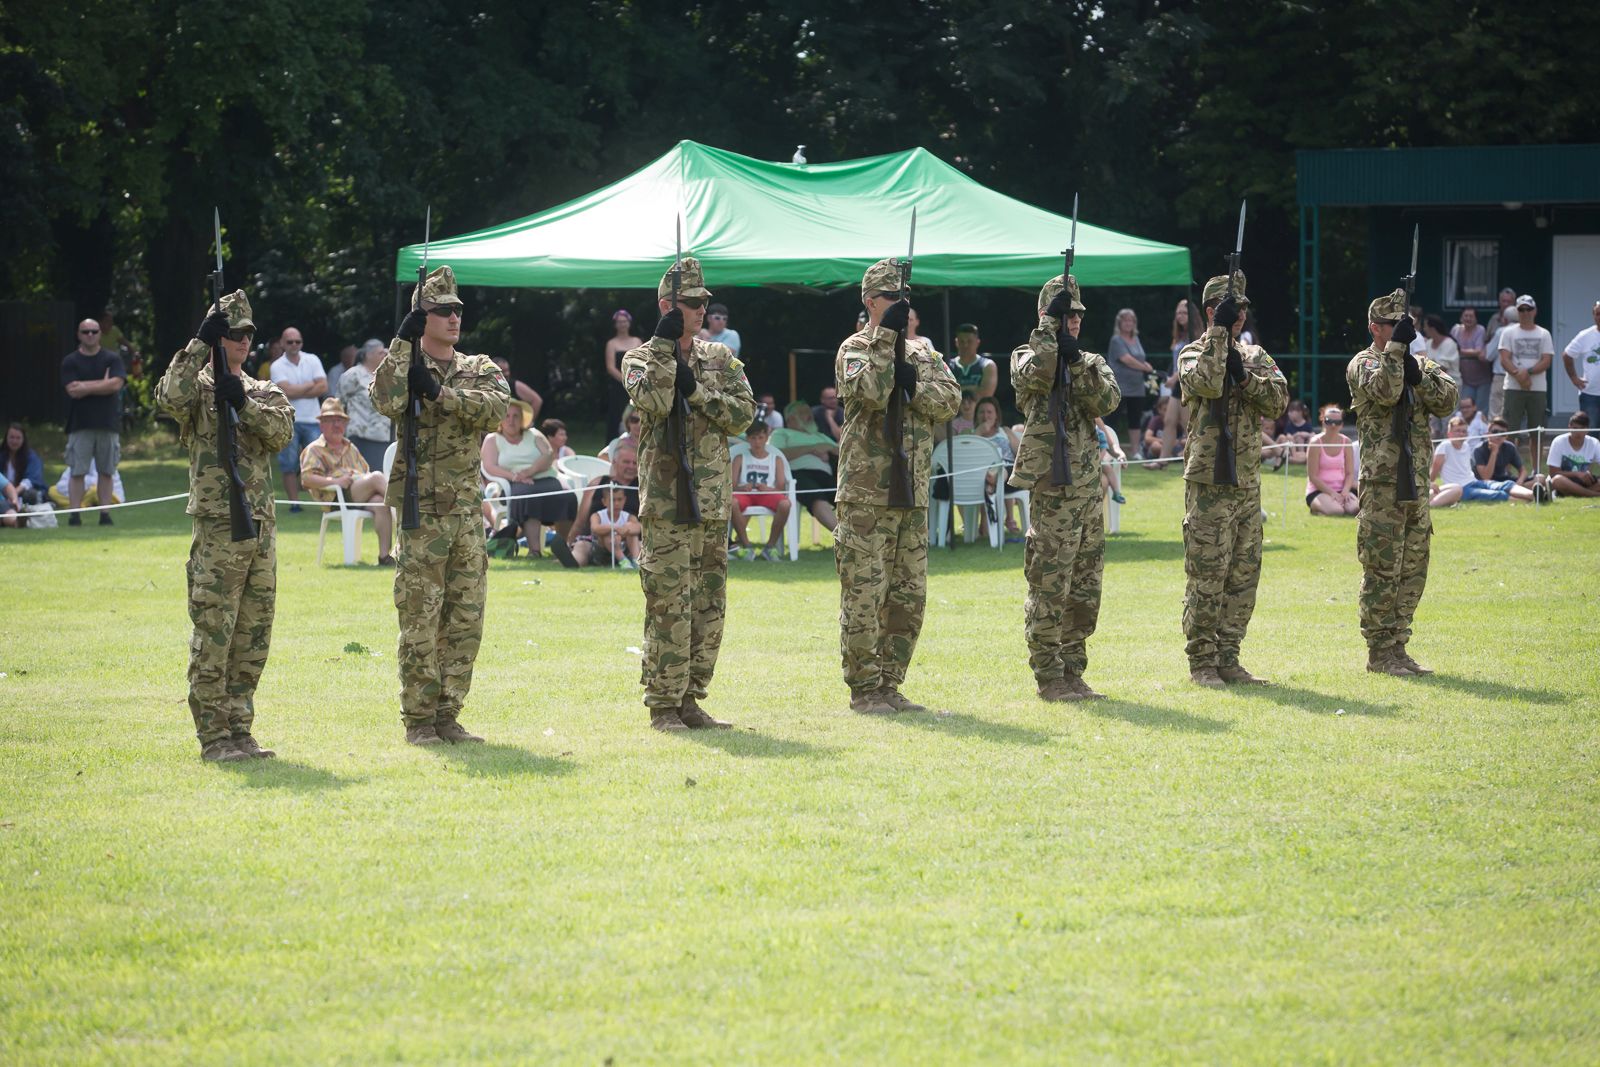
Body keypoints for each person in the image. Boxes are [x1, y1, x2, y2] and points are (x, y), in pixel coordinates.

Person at [371, 266, 509, 746]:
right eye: (442, 310)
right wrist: (400, 343)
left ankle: (449, 713)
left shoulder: (478, 366)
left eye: (458, 310)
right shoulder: (404, 362)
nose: (454, 318)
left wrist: (440, 394)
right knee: (420, 618)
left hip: (466, 510)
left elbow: (496, 408)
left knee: (466, 617)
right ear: (421, 317)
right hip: (421, 510)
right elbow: (383, 399)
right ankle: (419, 719)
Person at [154, 290, 294, 762]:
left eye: (248, 333)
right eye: (232, 333)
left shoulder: (263, 389)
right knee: (215, 628)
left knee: (254, 632)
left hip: (259, 524)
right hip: (218, 523)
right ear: (219, 337)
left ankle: (240, 727)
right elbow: (168, 396)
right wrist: (198, 345)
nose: (242, 340)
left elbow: (281, 433)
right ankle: (214, 736)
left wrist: (244, 404)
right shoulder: (197, 388)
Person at [623, 256, 754, 731]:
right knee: (668, 604)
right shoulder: (639, 358)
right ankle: (663, 704)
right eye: (691, 302)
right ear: (666, 306)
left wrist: (697, 392)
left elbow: (744, 415)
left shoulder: (720, 357)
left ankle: (692, 699)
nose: (700, 310)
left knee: (708, 605)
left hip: (712, 502)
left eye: (704, 302)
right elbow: (655, 401)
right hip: (666, 502)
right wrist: (664, 349)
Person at [833, 259, 961, 715]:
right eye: (892, 298)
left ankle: (890, 683)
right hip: (866, 494)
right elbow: (869, 391)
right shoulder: (855, 348)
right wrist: (887, 341)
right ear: (871, 302)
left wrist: (916, 387)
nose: (902, 305)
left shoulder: (924, 353)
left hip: (912, 491)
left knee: (908, 596)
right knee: (865, 593)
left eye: (906, 297)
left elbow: (950, 400)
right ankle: (864, 688)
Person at [1007, 274, 1122, 700]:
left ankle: (1073, 671)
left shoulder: (1089, 361)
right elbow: (1036, 376)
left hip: (1088, 491)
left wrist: (1075, 361)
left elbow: (1107, 401)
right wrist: (1048, 332)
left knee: (1085, 589)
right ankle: (1049, 675)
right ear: (1046, 316)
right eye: (1065, 314)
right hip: (1053, 492)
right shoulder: (1025, 355)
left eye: (1077, 315)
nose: (1073, 320)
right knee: (1050, 583)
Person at [1177, 271, 1289, 688]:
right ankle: (1202, 662)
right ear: (1211, 311)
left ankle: (1229, 657)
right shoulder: (1193, 353)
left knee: (1243, 575)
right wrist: (1218, 338)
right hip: (1210, 483)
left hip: (1246, 482)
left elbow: (1278, 401)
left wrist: (1244, 377)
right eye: (1231, 309)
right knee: (1207, 574)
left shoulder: (1255, 355)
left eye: (1242, 308)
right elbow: (1205, 383)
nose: (1240, 314)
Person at [1347, 287, 1459, 676]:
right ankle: (1379, 652)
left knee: (1413, 568)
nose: (1400, 332)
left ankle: (1399, 646)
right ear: (1374, 328)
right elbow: (1385, 391)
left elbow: (1448, 401)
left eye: (1404, 326)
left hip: (1416, 482)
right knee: (1382, 569)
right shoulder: (1363, 363)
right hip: (1382, 485)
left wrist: (1419, 375)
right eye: (1392, 326)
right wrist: (1396, 353)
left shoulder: (1419, 364)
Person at [298, 397, 393, 564]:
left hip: (357, 493)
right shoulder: (315, 449)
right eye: (331, 421)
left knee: (380, 502)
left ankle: (384, 557)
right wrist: (335, 482)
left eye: (340, 421)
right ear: (322, 425)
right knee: (377, 477)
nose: (337, 425)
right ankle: (405, 506)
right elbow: (307, 479)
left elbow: (365, 472)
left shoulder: (350, 447)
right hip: (336, 498)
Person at [480, 399, 576, 561]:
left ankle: (561, 546)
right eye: (507, 416)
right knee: (528, 497)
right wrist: (515, 476)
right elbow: (489, 466)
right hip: (512, 483)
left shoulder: (534, 434)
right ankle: (534, 550)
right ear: (500, 419)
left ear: (522, 419)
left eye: (516, 416)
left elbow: (548, 455)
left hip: (544, 477)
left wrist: (529, 472)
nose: (511, 420)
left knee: (567, 497)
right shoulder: (492, 439)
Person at [61, 317, 126, 526]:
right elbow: (72, 390)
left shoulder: (112, 359)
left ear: (100, 334)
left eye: (94, 331)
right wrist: (102, 383)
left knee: (106, 471)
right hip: (80, 424)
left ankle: (104, 515)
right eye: (85, 331)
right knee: (77, 471)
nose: (90, 335)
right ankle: (74, 515)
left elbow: (116, 385)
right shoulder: (70, 361)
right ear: (78, 335)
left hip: (108, 424)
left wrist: (85, 386)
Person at [268, 327, 327, 512]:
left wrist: (296, 390)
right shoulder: (277, 366)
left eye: (297, 341)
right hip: (289, 420)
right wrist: (310, 385)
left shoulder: (312, 359)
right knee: (289, 464)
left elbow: (323, 387)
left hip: (313, 420)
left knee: (319, 463)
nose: (294, 345)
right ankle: (294, 504)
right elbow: (285, 391)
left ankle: (326, 503)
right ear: (282, 343)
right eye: (290, 342)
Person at [568, 440, 640, 567]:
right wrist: (569, 543)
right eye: (626, 462)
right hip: (596, 542)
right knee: (581, 547)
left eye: (635, 463)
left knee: (642, 546)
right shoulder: (598, 483)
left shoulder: (643, 488)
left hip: (630, 542)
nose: (631, 466)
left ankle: (636, 563)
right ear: (614, 462)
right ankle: (571, 560)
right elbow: (580, 522)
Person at [770, 400, 839, 532]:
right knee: (816, 498)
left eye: (809, 412)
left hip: (825, 475)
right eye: (803, 412)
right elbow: (777, 454)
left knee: (844, 497)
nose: (809, 415)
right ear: (790, 419)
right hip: (797, 474)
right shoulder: (782, 433)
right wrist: (811, 448)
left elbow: (842, 452)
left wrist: (829, 447)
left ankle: (859, 536)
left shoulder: (820, 436)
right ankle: (843, 537)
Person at [730, 420, 791, 561]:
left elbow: (781, 487)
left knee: (785, 504)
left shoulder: (776, 459)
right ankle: (747, 546)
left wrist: (767, 488)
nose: (757, 442)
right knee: (731, 503)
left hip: (766, 494)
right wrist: (742, 487)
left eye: (761, 437)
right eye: (753, 438)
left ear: (766, 438)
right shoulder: (740, 458)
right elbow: (732, 484)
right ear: (747, 439)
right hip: (745, 494)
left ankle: (769, 547)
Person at [1498, 294, 1553, 449]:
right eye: (1521, 309)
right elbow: (1504, 358)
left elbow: (1546, 360)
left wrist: (1526, 373)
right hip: (1513, 387)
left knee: (1537, 432)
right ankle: (1507, 464)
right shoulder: (1508, 332)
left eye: (1528, 309)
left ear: (1535, 311)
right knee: (1510, 430)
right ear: (1517, 312)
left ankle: (1536, 464)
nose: (1525, 312)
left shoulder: (1544, 333)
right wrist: (1519, 376)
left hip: (1537, 389)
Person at [340, 339, 393, 471]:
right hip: (361, 435)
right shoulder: (353, 375)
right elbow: (339, 403)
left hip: (385, 436)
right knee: (363, 475)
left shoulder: (387, 375)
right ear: (368, 355)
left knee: (382, 475)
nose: (385, 354)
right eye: (381, 352)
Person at [1108, 308, 1155, 455]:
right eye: (1125, 320)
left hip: (1137, 387)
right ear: (1119, 323)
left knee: (1135, 420)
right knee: (1112, 419)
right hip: (1120, 387)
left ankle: (1135, 452)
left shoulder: (1136, 339)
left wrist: (1147, 365)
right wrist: (1144, 367)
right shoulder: (1116, 340)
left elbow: (1139, 358)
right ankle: (1109, 449)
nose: (1128, 323)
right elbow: (1126, 359)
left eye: (1131, 320)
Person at [1467, 418, 1543, 502]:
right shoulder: (1478, 450)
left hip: (1505, 481)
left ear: (1506, 436)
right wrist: (1494, 453)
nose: (1498, 436)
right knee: (1504, 487)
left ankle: (1520, 491)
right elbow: (1486, 477)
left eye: (1502, 433)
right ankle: (1531, 494)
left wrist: (1519, 483)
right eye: (1495, 432)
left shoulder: (1509, 447)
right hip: (1487, 484)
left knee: (1540, 478)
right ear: (1488, 434)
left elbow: (1523, 471)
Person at [1306, 404, 1359, 515]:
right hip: (1318, 491)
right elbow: (1313, 477)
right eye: (1329, 421)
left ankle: (1329, 505)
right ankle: (1316, 508)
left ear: (1342, 424)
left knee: (1354, 509)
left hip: (1341, 489)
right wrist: (1332, 493)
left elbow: (1349, 473)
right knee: (1337, 511)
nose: (1333, 425)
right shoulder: (1315, 442)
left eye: (1337, 422)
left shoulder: (1346, 442)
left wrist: (1345, 491)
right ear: (1323, 421)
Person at [1158, 299, 1192, 467]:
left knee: (1188, 425)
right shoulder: (1179, 335)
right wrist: (1170, 377)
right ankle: (1162, 460)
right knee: (1169, 421)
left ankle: (1194, 462)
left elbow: (1191, 362)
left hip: (1188, 385)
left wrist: (1174, 377)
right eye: (1178, 312)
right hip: (1177, 385)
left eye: (1184, 312)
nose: (1180, 316)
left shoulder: (1195, 335)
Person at [1561, 299, 1600, 428]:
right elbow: (1567, 355)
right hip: (1590, 394)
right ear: (1593, 315)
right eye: (1598, 314)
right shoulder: (1585, 335)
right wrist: (1574, 378)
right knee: (1591, 433)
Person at [603, 309, 641, 439]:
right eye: (619, 322)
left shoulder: (637, 341)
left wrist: (634, 381)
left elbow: (642, 363)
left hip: (636, 386)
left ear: (629, 323)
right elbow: (610, 367)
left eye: (624, 321)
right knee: (617, 416)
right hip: (618, 387)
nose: (622, 324)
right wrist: (625, 381)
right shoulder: (611, 343)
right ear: (615, 324)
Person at [1429, 415, 1482, 507]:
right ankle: (1429, 506)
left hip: (1471, 482)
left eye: (1464, 431)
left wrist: (1429, 484)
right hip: (1462, 487)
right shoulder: (1444, 446)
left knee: (1499, 485)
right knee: (1458, 489)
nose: (1461, 434)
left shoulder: (1466, 446)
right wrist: (1429, 483)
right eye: (1457, 431)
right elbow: (1433, 473)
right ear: (1449, 433)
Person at [1546, 411, 1600, 498]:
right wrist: (1577, 474)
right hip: (1565, 481)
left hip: (1585, 483)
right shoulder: (1558, 441)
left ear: (1587, 429)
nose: (1578, 432)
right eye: (1575, 428)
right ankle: (1594, 494)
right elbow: (1553, 473)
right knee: (1557, 480)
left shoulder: (1594, 443)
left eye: (1582, 428)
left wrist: (1588, 475)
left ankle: (1578, 493)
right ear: (1569, 427)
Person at [588, 483, 642, 567]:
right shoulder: (597, 516)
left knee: (632, 532)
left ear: (624, 500)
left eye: (619, 499)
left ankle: (636, 561)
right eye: (612, 500)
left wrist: (626, 530)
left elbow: (639, 528)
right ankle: (623, 561)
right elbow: (594, 528)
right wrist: (615, 528)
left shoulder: (629, 517)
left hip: (624, 549)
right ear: (604, 502)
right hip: (603, 553)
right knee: (607, 535)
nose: (616, 503)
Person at [1452, 307, 1492, 414]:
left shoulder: (1480, 329)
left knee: (1481, 411)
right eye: (1466, 316)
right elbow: (1450, 347)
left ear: (1476, 319)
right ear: (1461, 318)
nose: (1468, 318)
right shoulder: (1456, 330)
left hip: (1482, 379)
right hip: (1465, 379)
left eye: (1471, 316)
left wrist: (1459, 351)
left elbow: (1478, 351)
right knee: (1465, 409)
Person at [1486, 287, 1517, 420]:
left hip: (1501, 375)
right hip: (1519, 376)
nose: (1505, 304)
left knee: (1496, 414)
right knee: (1514, 412)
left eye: (1508, 301)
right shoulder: (1526, 330)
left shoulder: (1501, 332)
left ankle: (1495, 433)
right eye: (1503, 301)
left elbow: (1488, 355)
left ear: (1505, 319)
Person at [946, 323, 997, 399]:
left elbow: (987, 394)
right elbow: (945, 394)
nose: (965, 345)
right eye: (962, 341)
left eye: (969, 341)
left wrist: (956, 390)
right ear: (956, 342)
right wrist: (975, 388)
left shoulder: (988, 365)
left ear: (977, 342)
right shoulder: (948, 366)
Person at [1, 424, 45, 505]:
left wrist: (14, 493)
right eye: (11, 437)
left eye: (18, 438)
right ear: (6, 438)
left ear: (23, 439)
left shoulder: (31, 457)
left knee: (30, 495)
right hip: (5, 491)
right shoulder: (2, 455)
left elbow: (31, 479)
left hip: (22, 492)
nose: (14, 441)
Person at [1095, 416, 1126, 505]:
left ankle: (1116, 492)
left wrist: (1120, 455)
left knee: (1107, 468)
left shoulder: (1099, 432)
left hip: (1097, 460)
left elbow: (1105, 447)